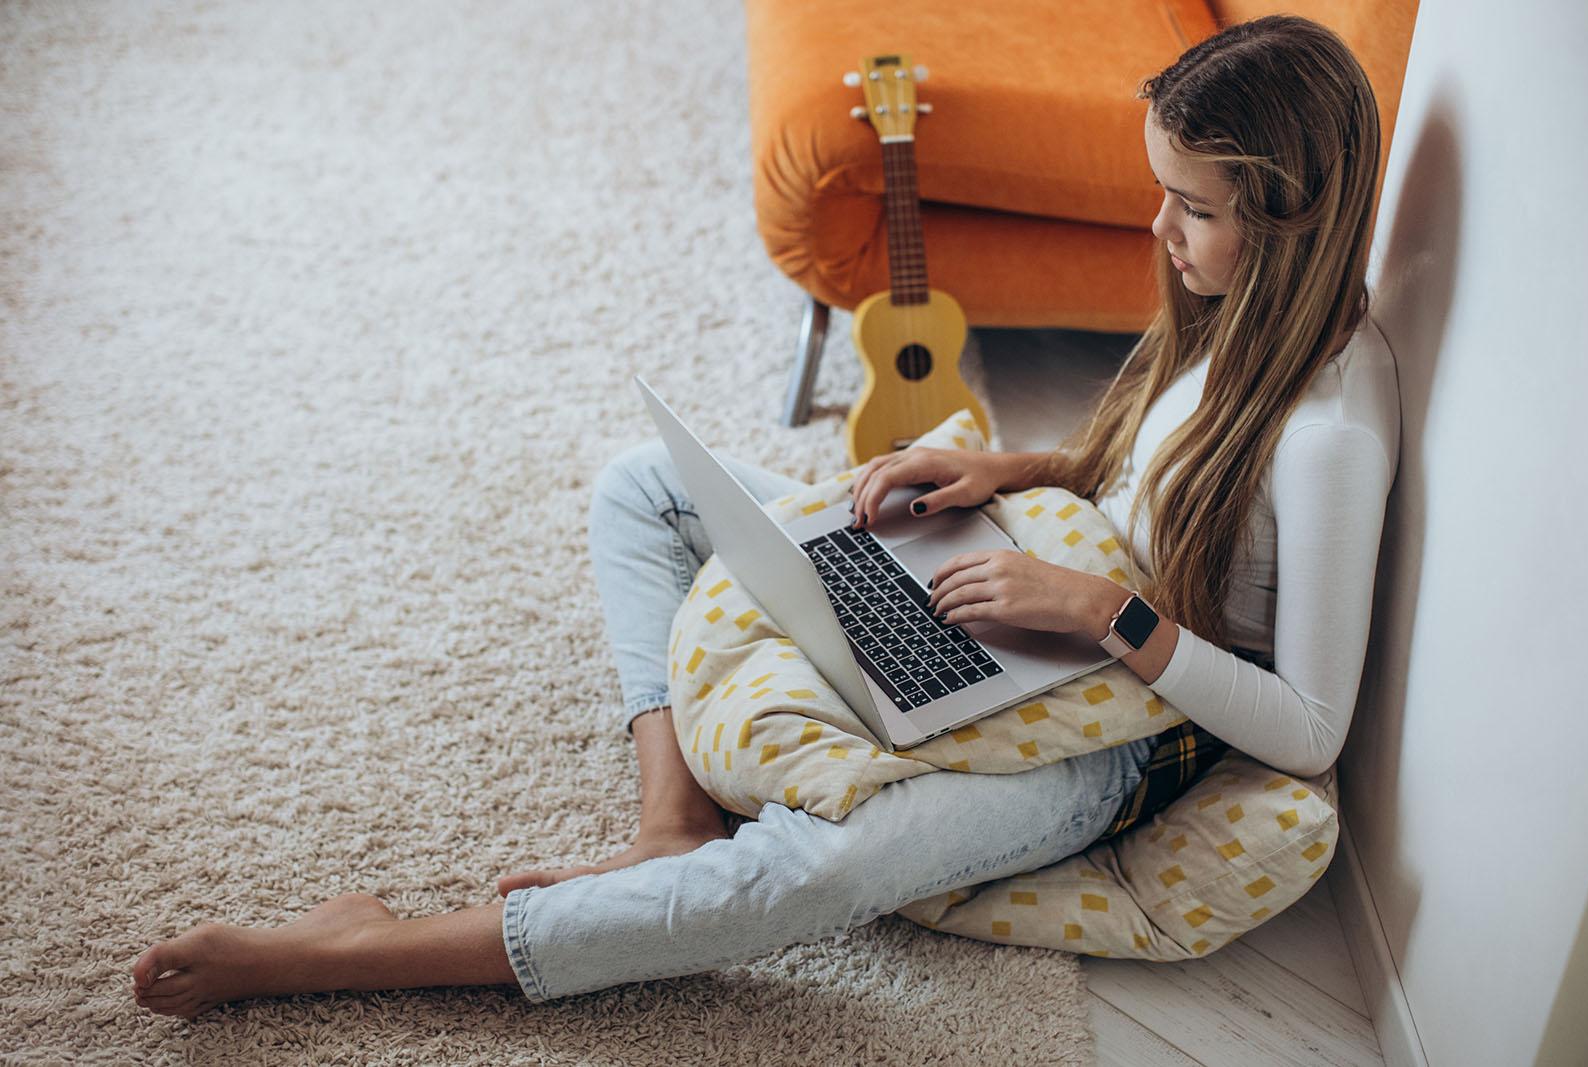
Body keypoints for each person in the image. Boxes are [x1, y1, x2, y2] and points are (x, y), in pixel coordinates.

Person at [131, 13, 1398, 1017]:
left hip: (1114, 741)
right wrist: (1016, 470)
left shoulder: (1332, 436)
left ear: (1289, 216)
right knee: (646, 481)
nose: (1160, 227)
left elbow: (1308, 728)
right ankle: (669, 816)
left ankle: (369, 948)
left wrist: (1104, 611)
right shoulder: (1242, 313)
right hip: (1036, 590)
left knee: (829, 870)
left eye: (1195, 207)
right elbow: (1154, 476)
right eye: (1166, 192)